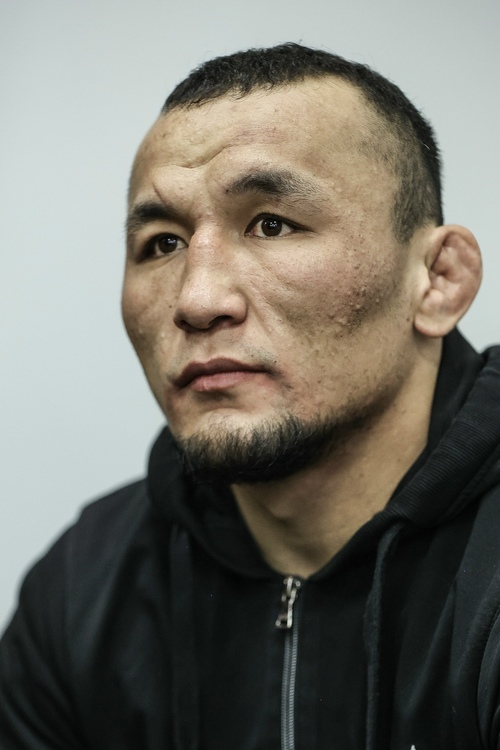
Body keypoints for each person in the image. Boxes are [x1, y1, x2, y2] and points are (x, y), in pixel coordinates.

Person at [1, 42, 499, 750]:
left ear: (439, 280)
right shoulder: (82, 592)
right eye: (163, 243)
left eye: (272, 224)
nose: (197, 300)